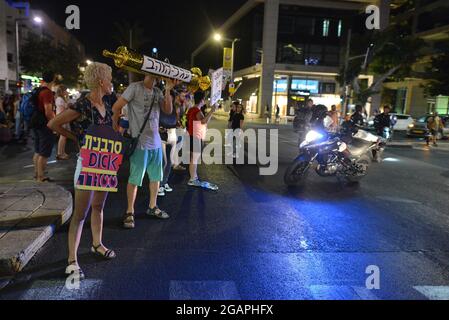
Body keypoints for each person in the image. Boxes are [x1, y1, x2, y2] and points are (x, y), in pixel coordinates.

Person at [48, 62, 116, 279]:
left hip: (104, 163)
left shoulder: (106, 103)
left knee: (99, 207)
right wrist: (76, 138)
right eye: (110, 78)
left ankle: (97, 244)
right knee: (80, 214)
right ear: (101, 81)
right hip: (87, 164)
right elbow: (54, 124)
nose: (112, 82)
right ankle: (72, 260)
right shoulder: (81, 105)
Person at [112, 75, 178, 230]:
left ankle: (153, 206)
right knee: (135, 179)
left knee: (156, 178)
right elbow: (116, 107)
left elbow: (168, 110)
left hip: (155, 143)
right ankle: (129, 211)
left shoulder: (157, 91)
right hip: (140, 142)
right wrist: (115, 127)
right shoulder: (135, 87)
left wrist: (168, 89)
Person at [187, 90, 217, 187]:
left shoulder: (191, 109)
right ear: (202, 100)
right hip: (196, 137)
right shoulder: (197, 111)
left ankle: (194, 177)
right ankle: (192, 179)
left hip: (192, 135)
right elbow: (204, 121)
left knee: (193, 158)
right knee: (194, 159)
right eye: (204, 99)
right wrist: (212, 111)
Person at [33, 72, 56, 182]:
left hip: (36, 123)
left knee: (38, 151)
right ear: (53, 80)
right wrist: (53, 124)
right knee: (44, 152)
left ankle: (37, 174)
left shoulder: (38, 90)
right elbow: (48, 111)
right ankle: (41, 177)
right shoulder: (47, 93)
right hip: (44, 125)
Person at [158, 90, 178, 197]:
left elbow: (176, 121)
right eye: (166, 97)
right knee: (164, 162)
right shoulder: (159, 107)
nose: (168, 99)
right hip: (161, 136)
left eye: (170, 97)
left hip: (172, 136)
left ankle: (165, 182)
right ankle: (159, 184)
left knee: (169, 162)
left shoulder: (175, 109)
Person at [55, 85, 70, 160]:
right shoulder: (60, 99)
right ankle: (60, 153)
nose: (67, 92)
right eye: (66, 90)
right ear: (63, 91)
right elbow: (62, 111)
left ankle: (62, 152)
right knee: (63, 137)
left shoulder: (61, 99)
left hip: (63, 119)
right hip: (62, 120)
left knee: (64, 137)